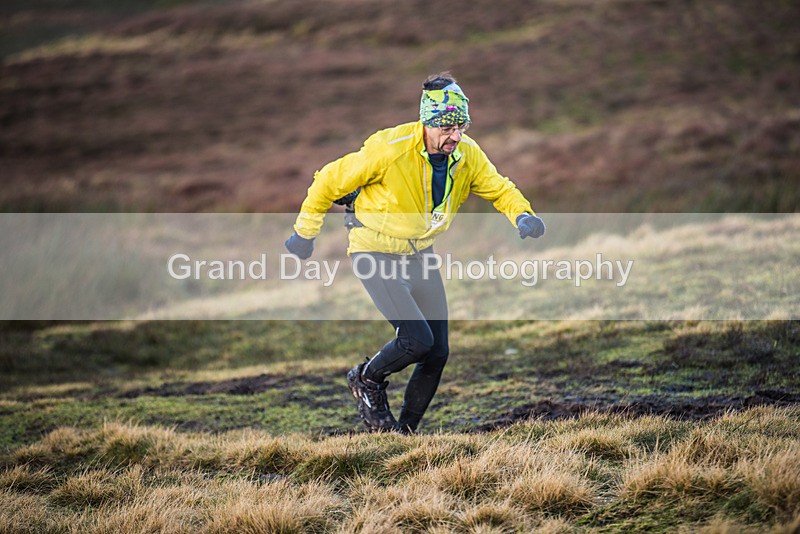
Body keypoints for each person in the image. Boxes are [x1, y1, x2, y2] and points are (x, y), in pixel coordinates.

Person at [285, 72, 545, 434]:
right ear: (428, 122)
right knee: (416, 341)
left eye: (462, 126)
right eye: (447, 127)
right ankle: (366, 379)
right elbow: (327, 182)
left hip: (420, 254)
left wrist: (522, 215)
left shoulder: (466, 154)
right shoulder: (389, 149)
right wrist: (304, 234)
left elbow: (499, 188)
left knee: (437, 352)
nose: (456, 136)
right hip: (374, 251)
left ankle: (404, 434)